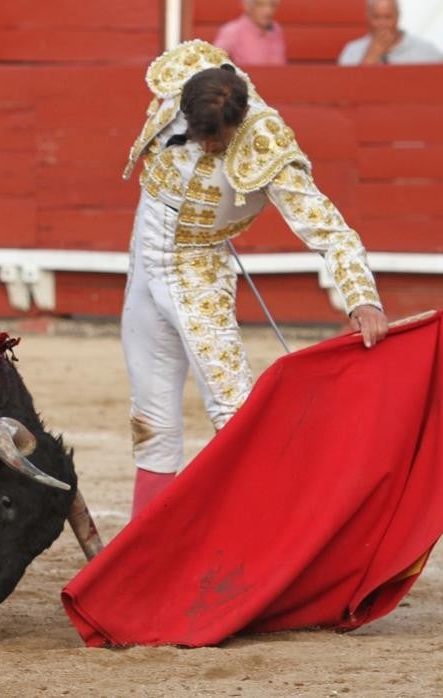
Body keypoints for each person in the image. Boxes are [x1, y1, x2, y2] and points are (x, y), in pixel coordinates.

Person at [121, 40, 388, 517]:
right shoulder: (186, 79)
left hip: (197, 272)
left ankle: (284, 533)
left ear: (237, 125)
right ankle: (146, 550)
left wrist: (361, 298)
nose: (206, 147)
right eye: (199, 134)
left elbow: (330, 228)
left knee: (237, 415)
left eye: (216, 141)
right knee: (151, 421)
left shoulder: (265, 142)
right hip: (143, 259)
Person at [338, 0, 443, 65]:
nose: (382, 24)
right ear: (368, 17)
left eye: (388, 17)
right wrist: (369, 58)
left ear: (398, 17)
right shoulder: (352, 52)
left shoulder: (426, 51)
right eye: (376, 17)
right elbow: (346, 93)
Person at [212, 0, 286, 67]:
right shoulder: (231, 31)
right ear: (247, 6)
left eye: (272, 5)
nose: (268, 11)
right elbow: (214, 61)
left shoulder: (277, 29)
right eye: (260, 5)